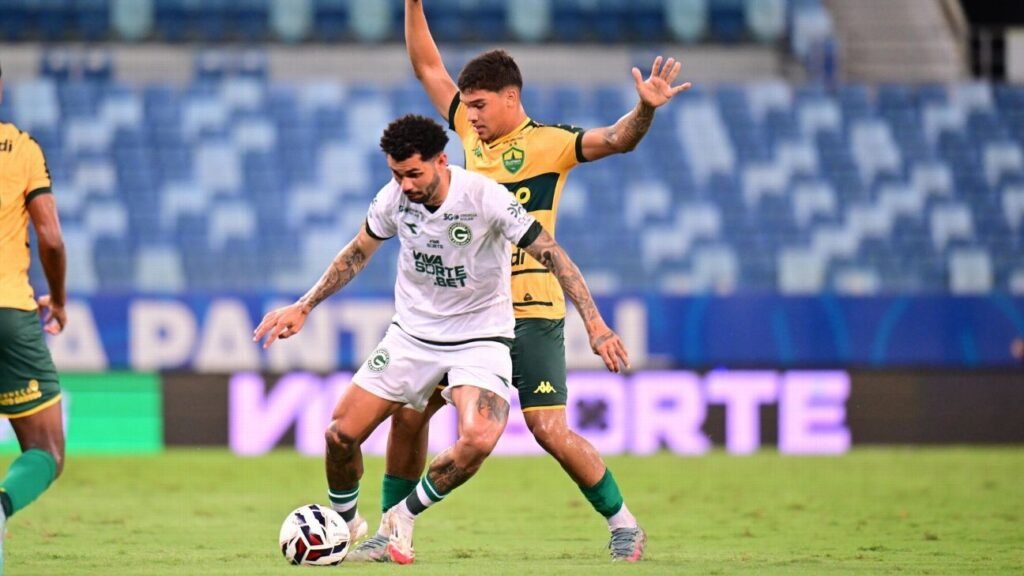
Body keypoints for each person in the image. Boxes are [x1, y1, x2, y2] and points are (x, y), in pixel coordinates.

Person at [348, 0, 692, 563]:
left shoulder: (552, 143)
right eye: (468, 106)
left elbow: (617, 139)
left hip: (531, 307)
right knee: (409, 415)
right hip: (465, 313)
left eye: (480, 104)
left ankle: (624, 525)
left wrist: (645, 110)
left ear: (511, 97)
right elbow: (428, 67)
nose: (470, 115)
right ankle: (391, 532)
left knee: (548, 428)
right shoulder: (468, 132)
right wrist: (412, 4)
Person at [253, 114, 629, 564]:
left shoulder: (485, 197)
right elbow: (356, 253)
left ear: (441, 161)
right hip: (412, 337)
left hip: (480, 337)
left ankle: (403, 516)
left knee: (480, 438)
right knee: (339, 436)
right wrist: (305, 304)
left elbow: (553, 255)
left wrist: (595, 324)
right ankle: (346, 527)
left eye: (414, 173)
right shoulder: (393, 199)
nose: (406, 185)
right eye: (397, 174)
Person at [0, 62, 69, 575]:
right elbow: (50, 238)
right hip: (8, 309)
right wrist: (59, 299)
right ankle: (1, 505)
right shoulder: (21, 148)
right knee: (46, 449)